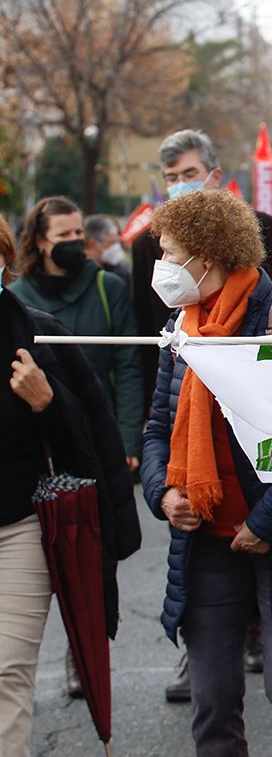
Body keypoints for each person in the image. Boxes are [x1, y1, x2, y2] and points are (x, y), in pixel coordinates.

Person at [140, 189, 272, 756]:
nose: (161, 265)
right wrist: (165, 490)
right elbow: (158, 427)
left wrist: (267, 522)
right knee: (211, 703)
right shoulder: (180, 328)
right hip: (206, 540)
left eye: (168, 253)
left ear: (206, 258)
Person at [1, 214, 141, 756]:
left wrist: (47, 402)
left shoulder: (39, 333)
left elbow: (85, 437)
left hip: (18, 527)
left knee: (8, 672)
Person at [132, 129, 272, 412]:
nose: (180, 184)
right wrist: (151, 402)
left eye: (190, 173)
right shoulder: (147, 243)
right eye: (172, 178)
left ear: (215, 176)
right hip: (180, 383)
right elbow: (144, 326)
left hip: (254, 381)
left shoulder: (265, 227)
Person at [9, 197, 142, 471]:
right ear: (40, 241)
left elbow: (129, 366)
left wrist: (128, 439)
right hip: (41, 442)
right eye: (63, 234)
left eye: (78, 232)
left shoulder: (109, 287)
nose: (74, 240)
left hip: (103, 433)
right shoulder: (15, 298)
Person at [83, 214, 132, 287]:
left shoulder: (121, 273)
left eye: (118, 242)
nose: (116, 247)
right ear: (92, 243)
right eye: (112, 242)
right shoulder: (79, 275)